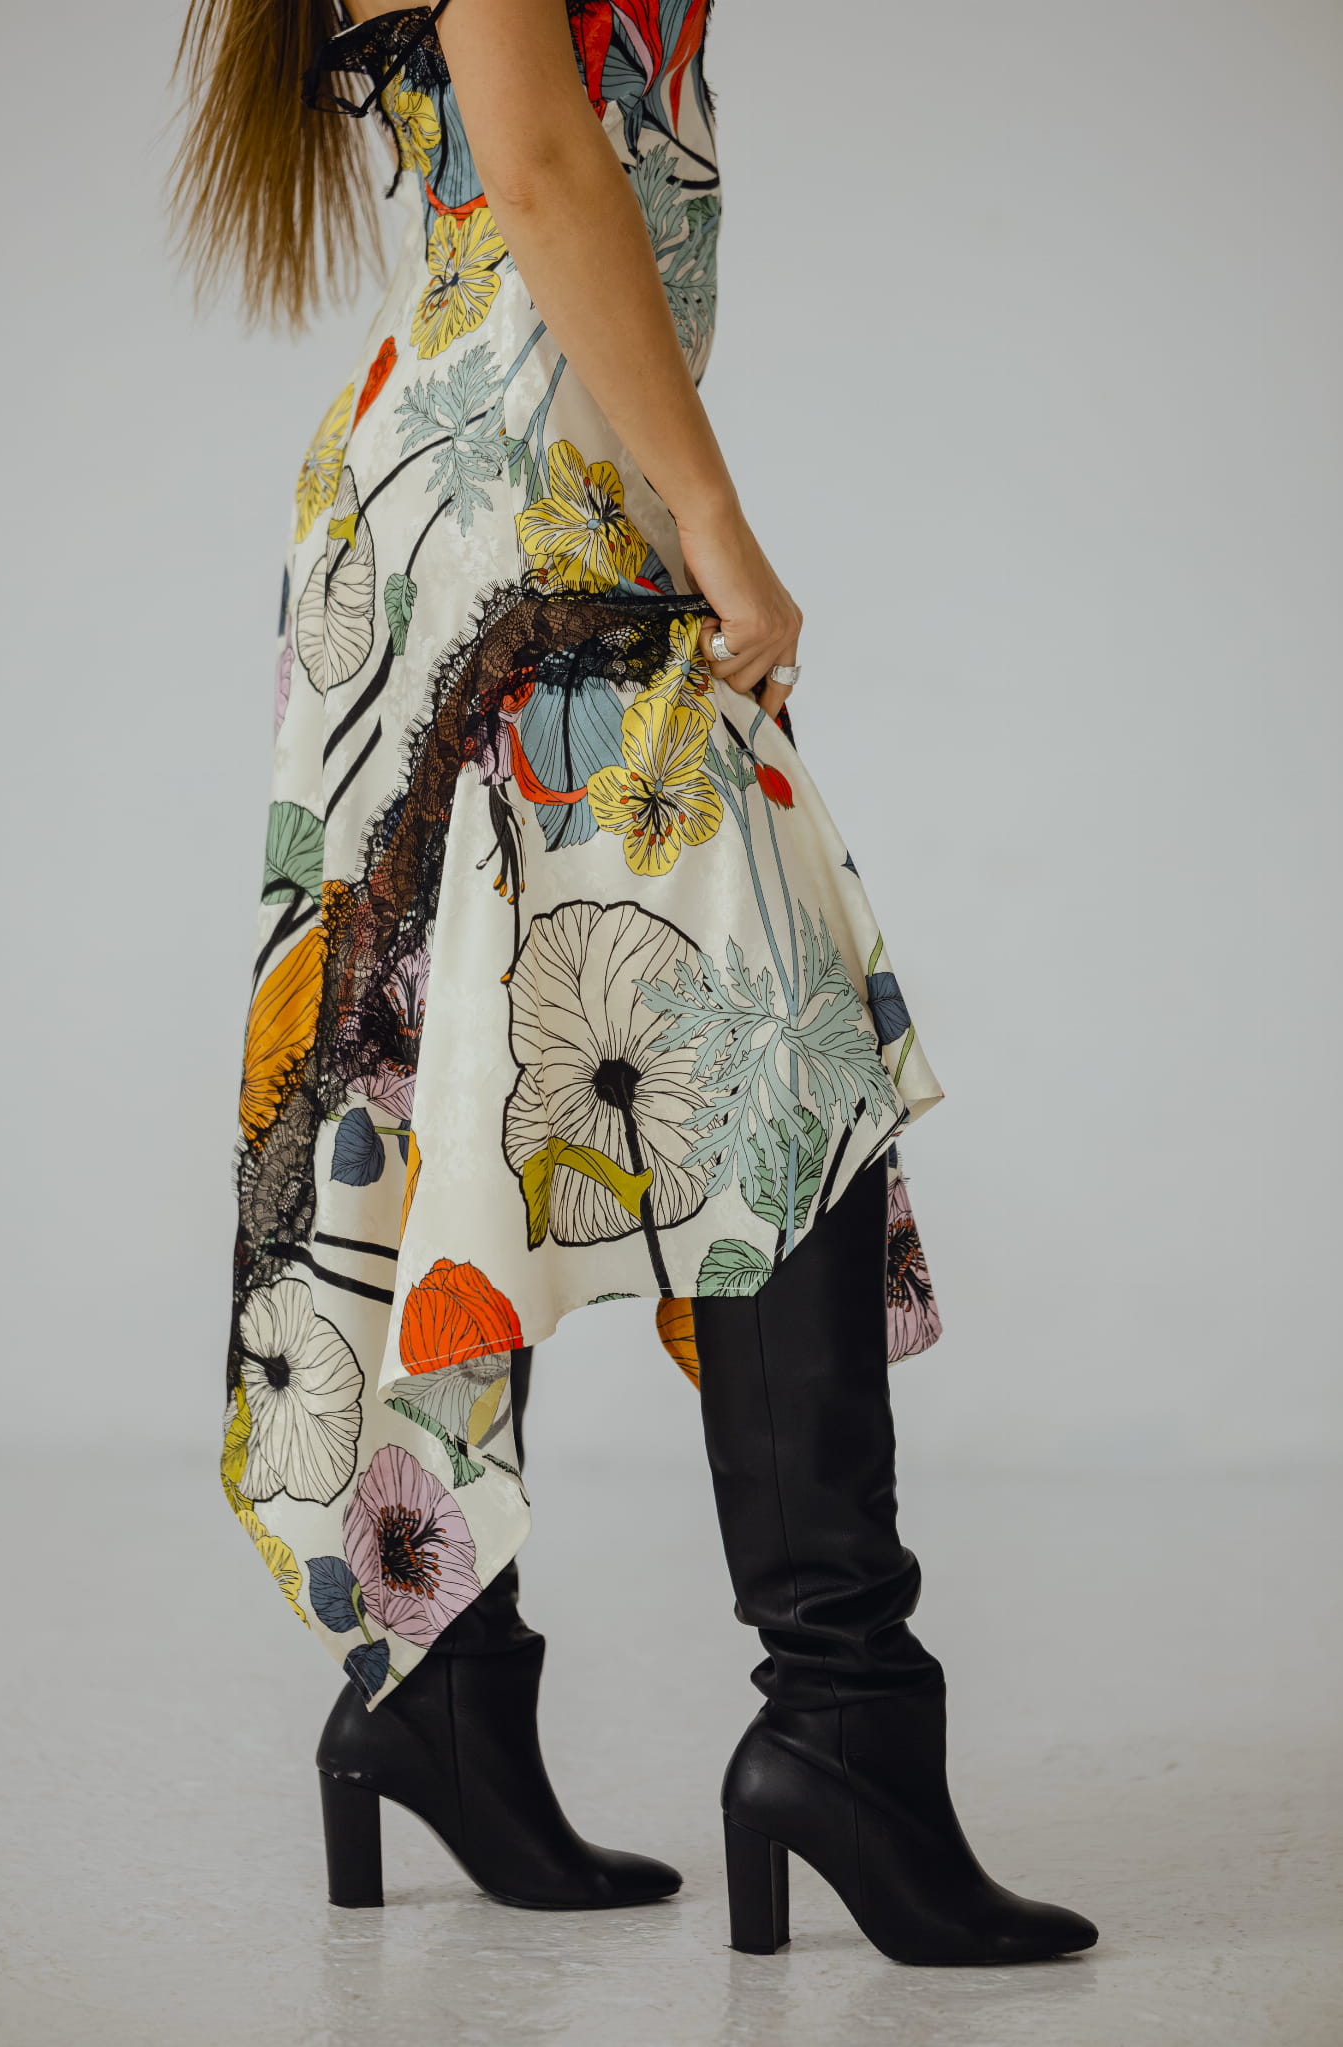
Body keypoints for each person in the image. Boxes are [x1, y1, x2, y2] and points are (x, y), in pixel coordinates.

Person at [172, 0, 1098, 1964]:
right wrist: (714, 517)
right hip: (539, 507)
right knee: (770, 1068)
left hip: (466, 487)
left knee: (469, 1087)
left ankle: (443, 1684)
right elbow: (542, 157)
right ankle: (837, 1723)